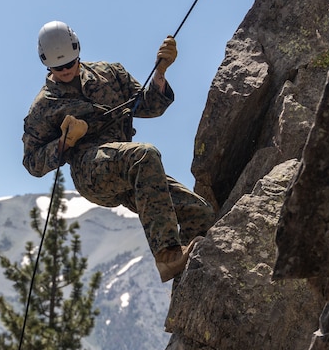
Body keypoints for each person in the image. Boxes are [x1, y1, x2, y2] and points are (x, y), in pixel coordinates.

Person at [22, 21, 215, 282]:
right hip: (92, 173)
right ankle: (167, 256)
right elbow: (32, 163)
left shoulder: (110, 74)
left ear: (78, 51)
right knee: (145, 154)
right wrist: (64, 143)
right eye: (58, 68)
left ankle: (191, 283)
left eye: (70, 63)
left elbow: (148, 107)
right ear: (45, 62)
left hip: (131, 173)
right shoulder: (44, 106)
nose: (65, 70)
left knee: (200, 212)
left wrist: (160, 73)